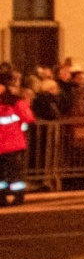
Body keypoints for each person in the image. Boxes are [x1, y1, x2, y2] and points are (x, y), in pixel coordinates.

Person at [0, 72, 35, 205]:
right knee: (2, 174)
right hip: (8, 143)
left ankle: (18, 196)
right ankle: (2, 197)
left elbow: (28, 118)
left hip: (12, 144)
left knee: (14, 173)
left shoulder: (15, 101)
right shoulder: (15, 101)